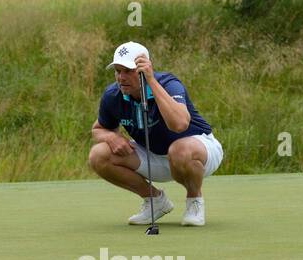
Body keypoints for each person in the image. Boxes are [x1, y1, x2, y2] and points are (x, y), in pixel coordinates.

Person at [87, 41, 224, 227]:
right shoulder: (113, 96)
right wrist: (112, 137)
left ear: (145, 68)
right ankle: (155, 201)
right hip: (152, 154)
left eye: (128, 71)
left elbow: (180, 124)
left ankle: (195, 201)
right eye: (118, 71)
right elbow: (98, 129)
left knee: (179, 149)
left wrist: (151, 81)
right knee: (99, 154)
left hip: (198, 151)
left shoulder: (169, 84)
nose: (121, 77)